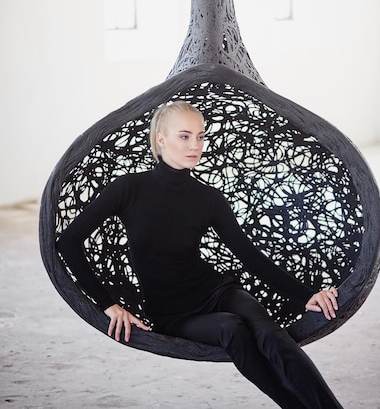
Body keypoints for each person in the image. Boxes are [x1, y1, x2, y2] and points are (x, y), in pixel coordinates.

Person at [57, 101, 344, 408]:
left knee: (268, 331)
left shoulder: (208, 198)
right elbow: (69, 242)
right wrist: (109, 305)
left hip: (217, 291)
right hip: (173, 313)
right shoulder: (128, 189)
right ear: (161, 140)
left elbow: (250, 255)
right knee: (232, 329)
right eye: (184, 136)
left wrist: (305, 295)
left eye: (200, 136)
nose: (195, 145)